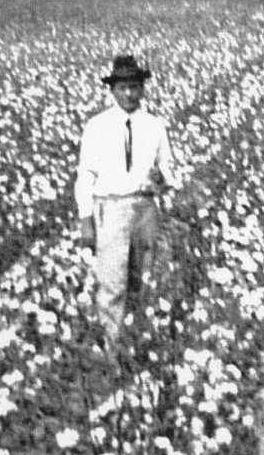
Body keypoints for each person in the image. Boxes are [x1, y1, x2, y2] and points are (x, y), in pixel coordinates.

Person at [71, 53, 185, 322]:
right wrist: (86, 219)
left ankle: (135, 337)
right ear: (112, 91)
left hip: (145, 209)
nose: (130, 93)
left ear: (143, 89)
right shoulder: (96, 126)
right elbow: (85, 175)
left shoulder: (155, 125)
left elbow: (168, 167)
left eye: (135, 87)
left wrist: (164, 178)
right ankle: (112, 351)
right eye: (123, 88)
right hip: (110, 209)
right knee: (112, 283)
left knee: (143, 278)